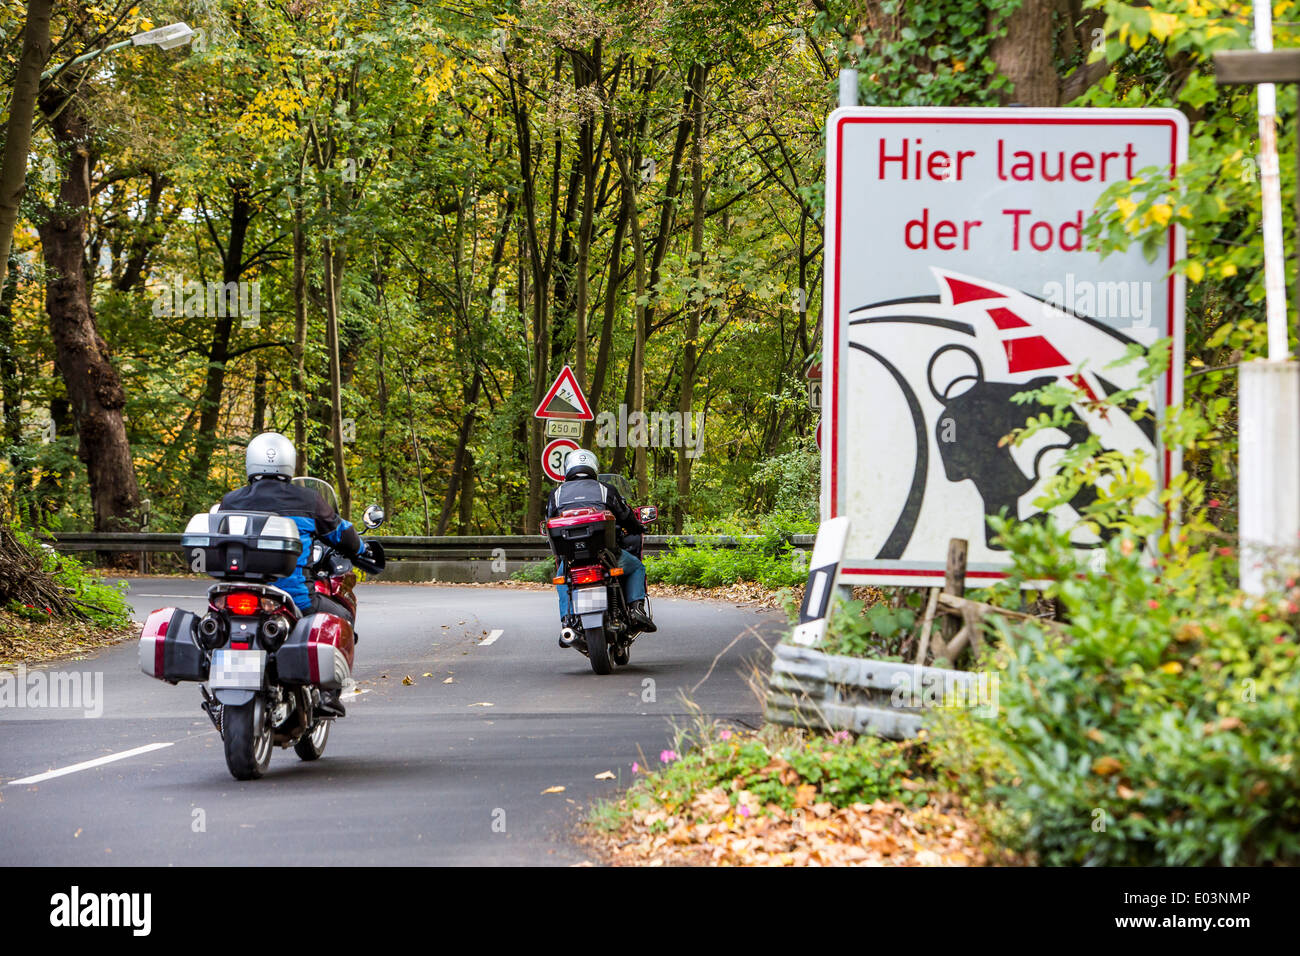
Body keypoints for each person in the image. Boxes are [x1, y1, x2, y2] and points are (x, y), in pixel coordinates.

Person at [220, 432, 367, 716]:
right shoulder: (308, 500)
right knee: (342, 617)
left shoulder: (231, 500)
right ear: (289, 464)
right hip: (293, 596)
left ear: (251, 463)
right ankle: (327, 694)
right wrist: (360, 548)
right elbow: (342, 533)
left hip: (235, 593)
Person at [545, 448, 656, 634]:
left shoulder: (556, 495)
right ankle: (636, 609)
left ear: (568, 469)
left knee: (563, 579)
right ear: (593, 467)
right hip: (605, 555)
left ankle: (567, 621)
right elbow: (626, 516)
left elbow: (549, 520)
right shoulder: (605, 490)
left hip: (572, 560)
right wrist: (637, 527)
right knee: (636, 566)